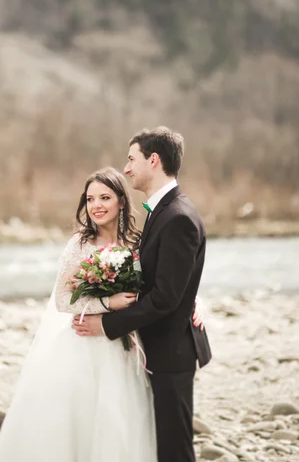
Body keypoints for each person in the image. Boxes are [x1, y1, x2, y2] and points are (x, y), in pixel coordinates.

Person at [0, 166, 204, 462]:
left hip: (128, 347)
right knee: (82, 422)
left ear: (121, 201)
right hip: (84, 345)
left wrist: (194, 303)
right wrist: (107, 304)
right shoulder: (79, 244)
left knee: (121, 420)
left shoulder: (138, 243)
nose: (96, 206)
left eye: (104, 197)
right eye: (90, 199)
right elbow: (63, 300)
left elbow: (168, 283)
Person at [73, 128, 212, 462]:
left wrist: (106, 325)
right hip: (156, 350)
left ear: (154, 160)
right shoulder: (162, 212)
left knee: (174, 448)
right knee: (159, 442)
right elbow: (165, 281)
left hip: (171, 351)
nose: (127, 168)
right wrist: (194, 296)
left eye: (132, 159)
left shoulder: (176, 217)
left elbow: (166, 297)